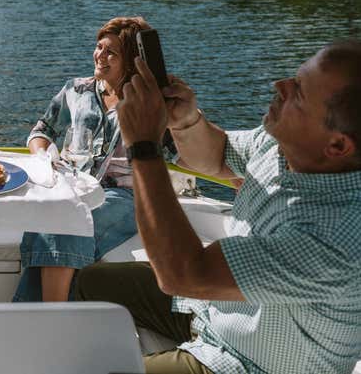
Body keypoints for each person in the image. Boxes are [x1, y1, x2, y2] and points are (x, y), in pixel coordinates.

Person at [77, 41, 361, 373]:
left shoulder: (339, 239)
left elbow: (183, 275)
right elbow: (218, 154)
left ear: (337, 145)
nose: (279, 85)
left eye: (299, 93)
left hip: (246, 363)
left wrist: (142, 145)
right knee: (88, 283)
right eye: (294, 78)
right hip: (211, 311)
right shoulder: (283, 145)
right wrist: (185, 122)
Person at [14, 16, 175, 302]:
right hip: (74, 187)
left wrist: (233, 175)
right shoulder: (76, 90)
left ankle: (43, 315)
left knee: (67, 221)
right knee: (55, 219)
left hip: (126, 197)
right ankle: (52, 316)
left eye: (111, 52)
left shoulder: (149, 102)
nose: (100, 55)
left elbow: (179, 151)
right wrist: (43, 157)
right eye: (99, 47)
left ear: (133, 61)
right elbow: (42, 131)